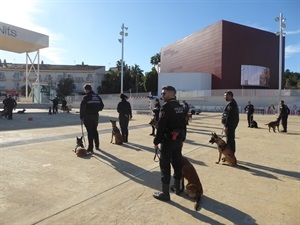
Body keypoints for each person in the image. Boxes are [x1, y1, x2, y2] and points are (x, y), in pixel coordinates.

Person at [153, 86, 186, 201]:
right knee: (177, 163)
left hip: (168, 141)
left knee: (165, 166)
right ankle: (177, 188)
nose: (162, 96)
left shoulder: (166, 108)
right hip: (177, 140)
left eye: (164, 94)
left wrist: (156, 141)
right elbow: (184, 124)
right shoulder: (180, 107)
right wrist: (182, 139)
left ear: (172, 94)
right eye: (162, 94)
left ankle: (165, 193)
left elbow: (161, 126)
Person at [80, 84, 104, 153]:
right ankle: (97, 145)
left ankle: (90, 148)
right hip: (95, 116)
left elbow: (82, 108)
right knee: (95, 130)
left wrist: (81, 116)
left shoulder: (86, 97)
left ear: (86, 89)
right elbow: (102, 106)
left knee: (90, 132)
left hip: (88, 116)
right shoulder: (97, 96)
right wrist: (96, 110)